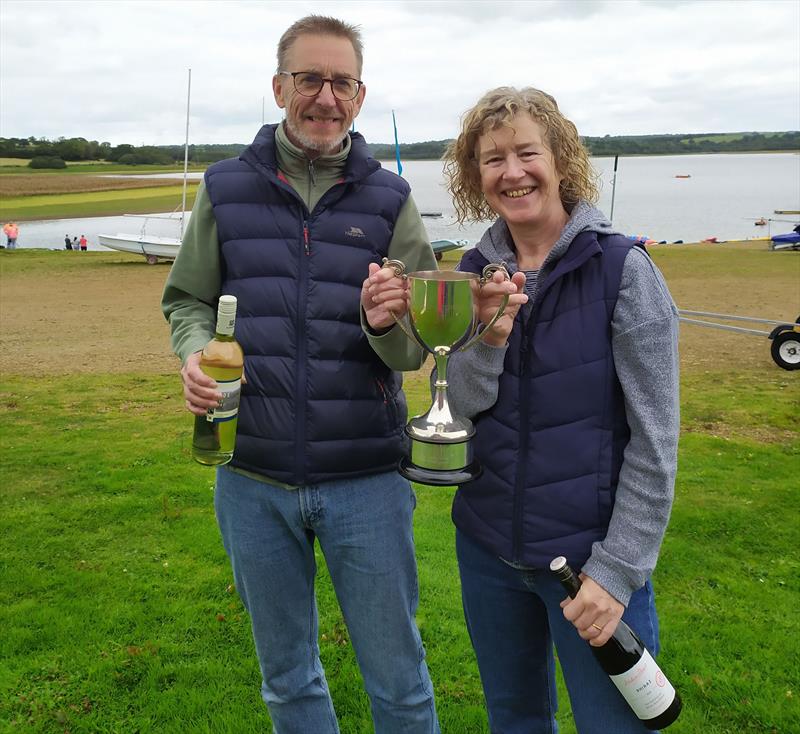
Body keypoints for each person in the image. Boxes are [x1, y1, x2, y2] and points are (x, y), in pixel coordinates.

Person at [161, 15, 439, 734]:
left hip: (369, 481)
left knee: (400, 680)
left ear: (360, 94)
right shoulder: (224, 189)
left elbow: (420, 345)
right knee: (287, 680)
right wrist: (192, 353)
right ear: (280, 86)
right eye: (309, 79)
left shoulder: (392, 200)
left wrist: (386, 323)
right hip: (251, 476)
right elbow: (187, 298)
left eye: (340, 82)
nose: (325, 97)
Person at [378, 87, 679, 733]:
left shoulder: (624, 271)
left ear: (561, 160)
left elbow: (656, 443)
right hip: (489, 550)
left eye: (526, 153)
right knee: (514, 719)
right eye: (491, 160)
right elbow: (456, 406)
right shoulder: (474, 269)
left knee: (614, 726)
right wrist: (488, 340)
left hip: (589, 566)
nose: (511, 172)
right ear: (475, 178)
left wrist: (618, 572)